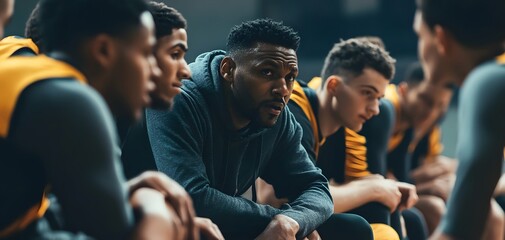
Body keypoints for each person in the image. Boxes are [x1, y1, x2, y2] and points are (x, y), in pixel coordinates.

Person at [0, 0, 198, 239]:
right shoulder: (70, 100)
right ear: (103, 51)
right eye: (146, 54)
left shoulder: (34, 82)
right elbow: (117, 231)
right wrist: (152, 202)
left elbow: (30, 223)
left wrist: (128, 191)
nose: (154, 71)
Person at [146, 18, 344, 240]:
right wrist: (278, 219)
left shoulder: (276, 114)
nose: (282, 89)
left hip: (224, 221)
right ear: (228, 70)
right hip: (166, 224)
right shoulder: (179, 99)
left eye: (290, 77)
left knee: (353, 228)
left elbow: (316, 187)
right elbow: (193, 197)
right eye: (267, 72)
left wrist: (292, 222)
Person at [257, 37, 404, 240]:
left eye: (379, 98)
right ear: (333, 86)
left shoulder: (341, 124)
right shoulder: (294, 112)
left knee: (389, 206)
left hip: (298, 217)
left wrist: (376, 187)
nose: (375, 109)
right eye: (367, 94)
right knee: (363, 225)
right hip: (270, 222)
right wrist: (373, 188)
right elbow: (276, 199)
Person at [413, 0, 505, 239]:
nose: (419, 48)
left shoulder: (488, 82)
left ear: (440, 39)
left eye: (420, 36)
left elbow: (460, 229)